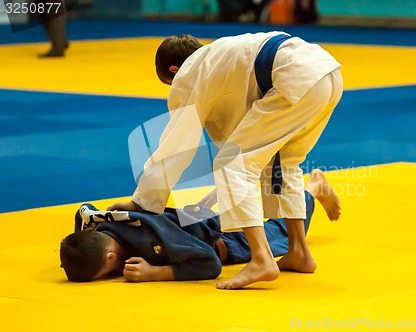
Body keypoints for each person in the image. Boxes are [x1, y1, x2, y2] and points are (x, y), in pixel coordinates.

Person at [108, 32, 343, 289]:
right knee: (283, 163)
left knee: (232, 164)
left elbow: (176, 145)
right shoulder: (220, 59)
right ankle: (299, 252)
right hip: (326, 72)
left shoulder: (190, 75)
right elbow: (242, 125)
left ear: (175, 70)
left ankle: (262, 258)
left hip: (293, 77)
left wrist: (142, 201)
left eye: (169, 83)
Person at [60, 170, 340, 282]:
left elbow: (210, 265)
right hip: (190, 218)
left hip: (225, 240)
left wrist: (156, 273)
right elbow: (82, 217)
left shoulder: (154, 238)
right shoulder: (95, 225)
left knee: (282, 234)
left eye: (106, 272)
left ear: (111, 257)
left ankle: (313, 187)